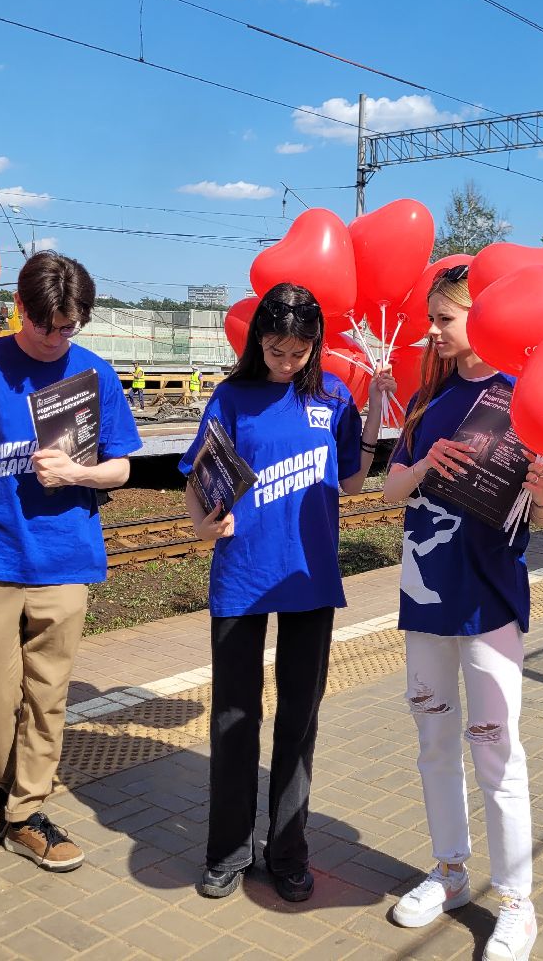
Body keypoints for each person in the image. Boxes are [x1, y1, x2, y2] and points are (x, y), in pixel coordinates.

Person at [0, 252, 142, 871]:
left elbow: (122, 467)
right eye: (46, 326)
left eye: (69, 328)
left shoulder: (94, 374)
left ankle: (24, 810)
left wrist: (78, 471)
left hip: (65, 556)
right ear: (18, 308)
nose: (55, 340)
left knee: (47, 695)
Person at [180, 282, 392, 903]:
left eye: (299, 351)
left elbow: (351, 482)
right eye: (275, 349)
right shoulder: (232, 396)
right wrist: (200, 522)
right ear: (258, 341)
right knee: (234, 719)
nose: (286, 360)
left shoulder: (334, 397)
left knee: (299, 720)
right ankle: (227, 850)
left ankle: (289, 850)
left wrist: (376, 410)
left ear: (316, 346)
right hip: (241, 578)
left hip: (309, 578)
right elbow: (199, 476)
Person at [381, 264, 543, 961]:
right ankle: (450, 871)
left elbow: (541, 515)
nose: (432, 330)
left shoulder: (528, 398)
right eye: (431, 317)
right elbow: (394, 487)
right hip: (426, 596)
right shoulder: (429, 400)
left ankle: (518, 903)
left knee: (495, 749)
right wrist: (427, 461)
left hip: (490, 603)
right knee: (433, 742)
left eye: (443, 319)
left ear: (481, 319)